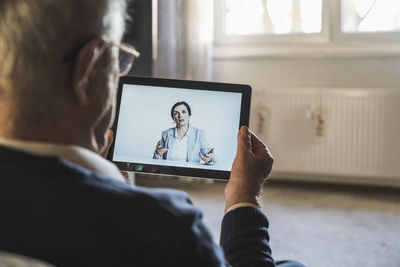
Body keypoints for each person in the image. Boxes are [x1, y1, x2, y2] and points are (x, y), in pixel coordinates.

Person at [0, 1, 304, 266]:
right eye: (117, 58)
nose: (179, 116)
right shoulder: (167, 229)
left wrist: (97, 182)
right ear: (87, 69)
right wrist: (243, 195)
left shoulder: (197, 136)